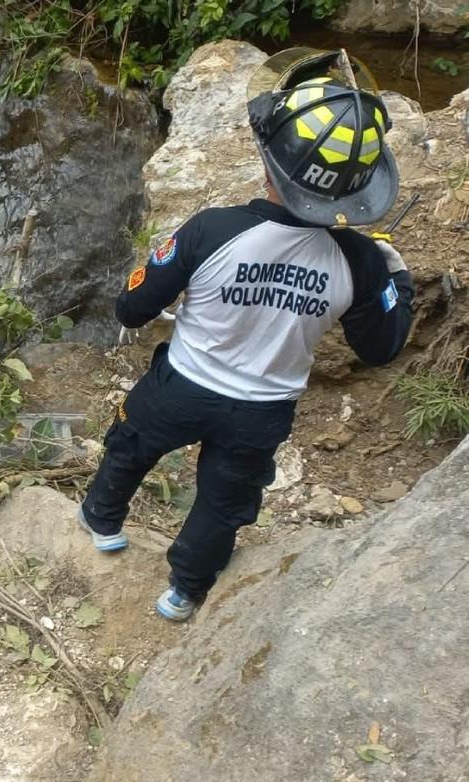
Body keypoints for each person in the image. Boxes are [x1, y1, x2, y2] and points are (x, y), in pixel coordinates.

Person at [77, 48, 414, 622]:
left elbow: (133, 308)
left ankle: (102, 521)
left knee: (131, 446)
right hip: (260, 412)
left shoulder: (213, 230)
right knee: (224, 503)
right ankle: (184, 592)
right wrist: (396, 278)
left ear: (268, 163)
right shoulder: (359, 262)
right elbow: (381, 348)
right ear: (358, 190)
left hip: (180, 387)